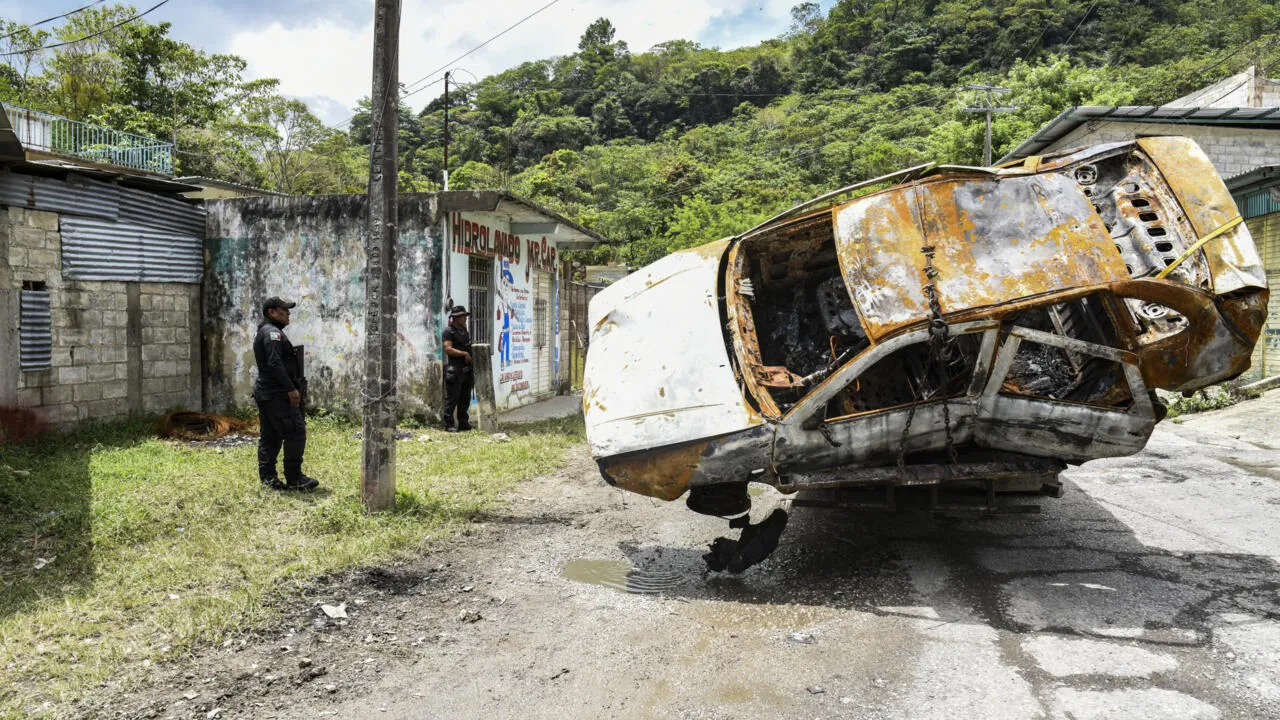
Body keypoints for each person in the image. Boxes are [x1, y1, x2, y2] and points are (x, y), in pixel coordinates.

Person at [253, 297, 319, 491]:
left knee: (271, 435)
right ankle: (294, 477)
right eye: (284, 310)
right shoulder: (272, 334)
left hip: (268, 393)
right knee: (295, 431)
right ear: (272, 312)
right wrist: (291, 389)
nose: (288, 314)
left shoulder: (268, 332)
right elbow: (274, 363)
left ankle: (268, 479)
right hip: (277, 393)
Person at [442, 305, 474, 432]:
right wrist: (464, 354)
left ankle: (463, 423)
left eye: (465, 316)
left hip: (466, 370)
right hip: (454, 370)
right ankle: (449, 424)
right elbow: (448, 349)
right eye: (462, 316)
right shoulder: (448, 332)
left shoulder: (463, 330)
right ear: (455, 318)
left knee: (465, 399)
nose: (465, 318)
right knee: (452, 399)